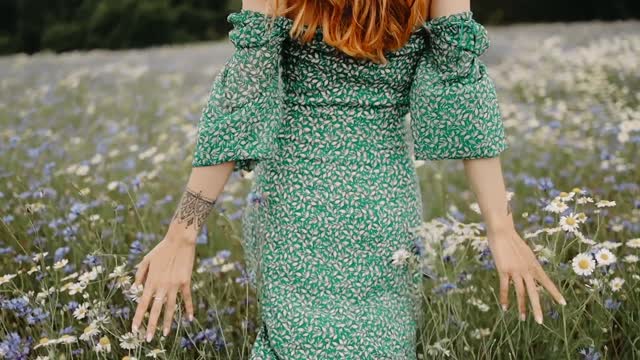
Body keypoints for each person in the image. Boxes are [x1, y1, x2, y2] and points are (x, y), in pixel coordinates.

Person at [130, 0, 566, 357]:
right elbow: (461, 91)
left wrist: (183, 233)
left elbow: (242, 97)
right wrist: (500, 227)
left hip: (292, 208)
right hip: (383, 205)